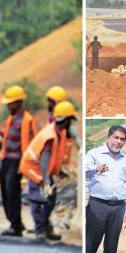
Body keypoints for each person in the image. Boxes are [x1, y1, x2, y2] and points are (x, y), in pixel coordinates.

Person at [84, 125, 126, 253]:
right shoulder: (94, 154)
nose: (118, 142)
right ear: (108, 137)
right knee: (90, 244)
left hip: (117, 207)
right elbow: (82, 172)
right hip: (97, 205)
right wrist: (95, 169)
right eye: (116, 137)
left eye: (122, 139)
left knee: (111, 248)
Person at [20, 101, 76, 241]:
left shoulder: (58, 132)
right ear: (66, 120)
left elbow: (52, 157)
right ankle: (40, 231)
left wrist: (58, 171)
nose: (73, 123)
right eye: (71, 120)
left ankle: (45, 227)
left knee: (50, 198)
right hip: (33, 168)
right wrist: (46, 180)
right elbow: (44, 159)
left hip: (42, 169)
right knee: (37, 199)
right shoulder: (50, 135)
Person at [0, 85, 36, 237]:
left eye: (10, 103)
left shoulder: (27, 120)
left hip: (18, 161)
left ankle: (16, 226)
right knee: (5, 190)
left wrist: (24, 165)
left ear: (18, 102)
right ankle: (14, 222)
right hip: (7, 159)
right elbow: (8, 138)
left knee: (12, 192)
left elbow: (29, 143)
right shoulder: (11, 117)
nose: (8, 105)